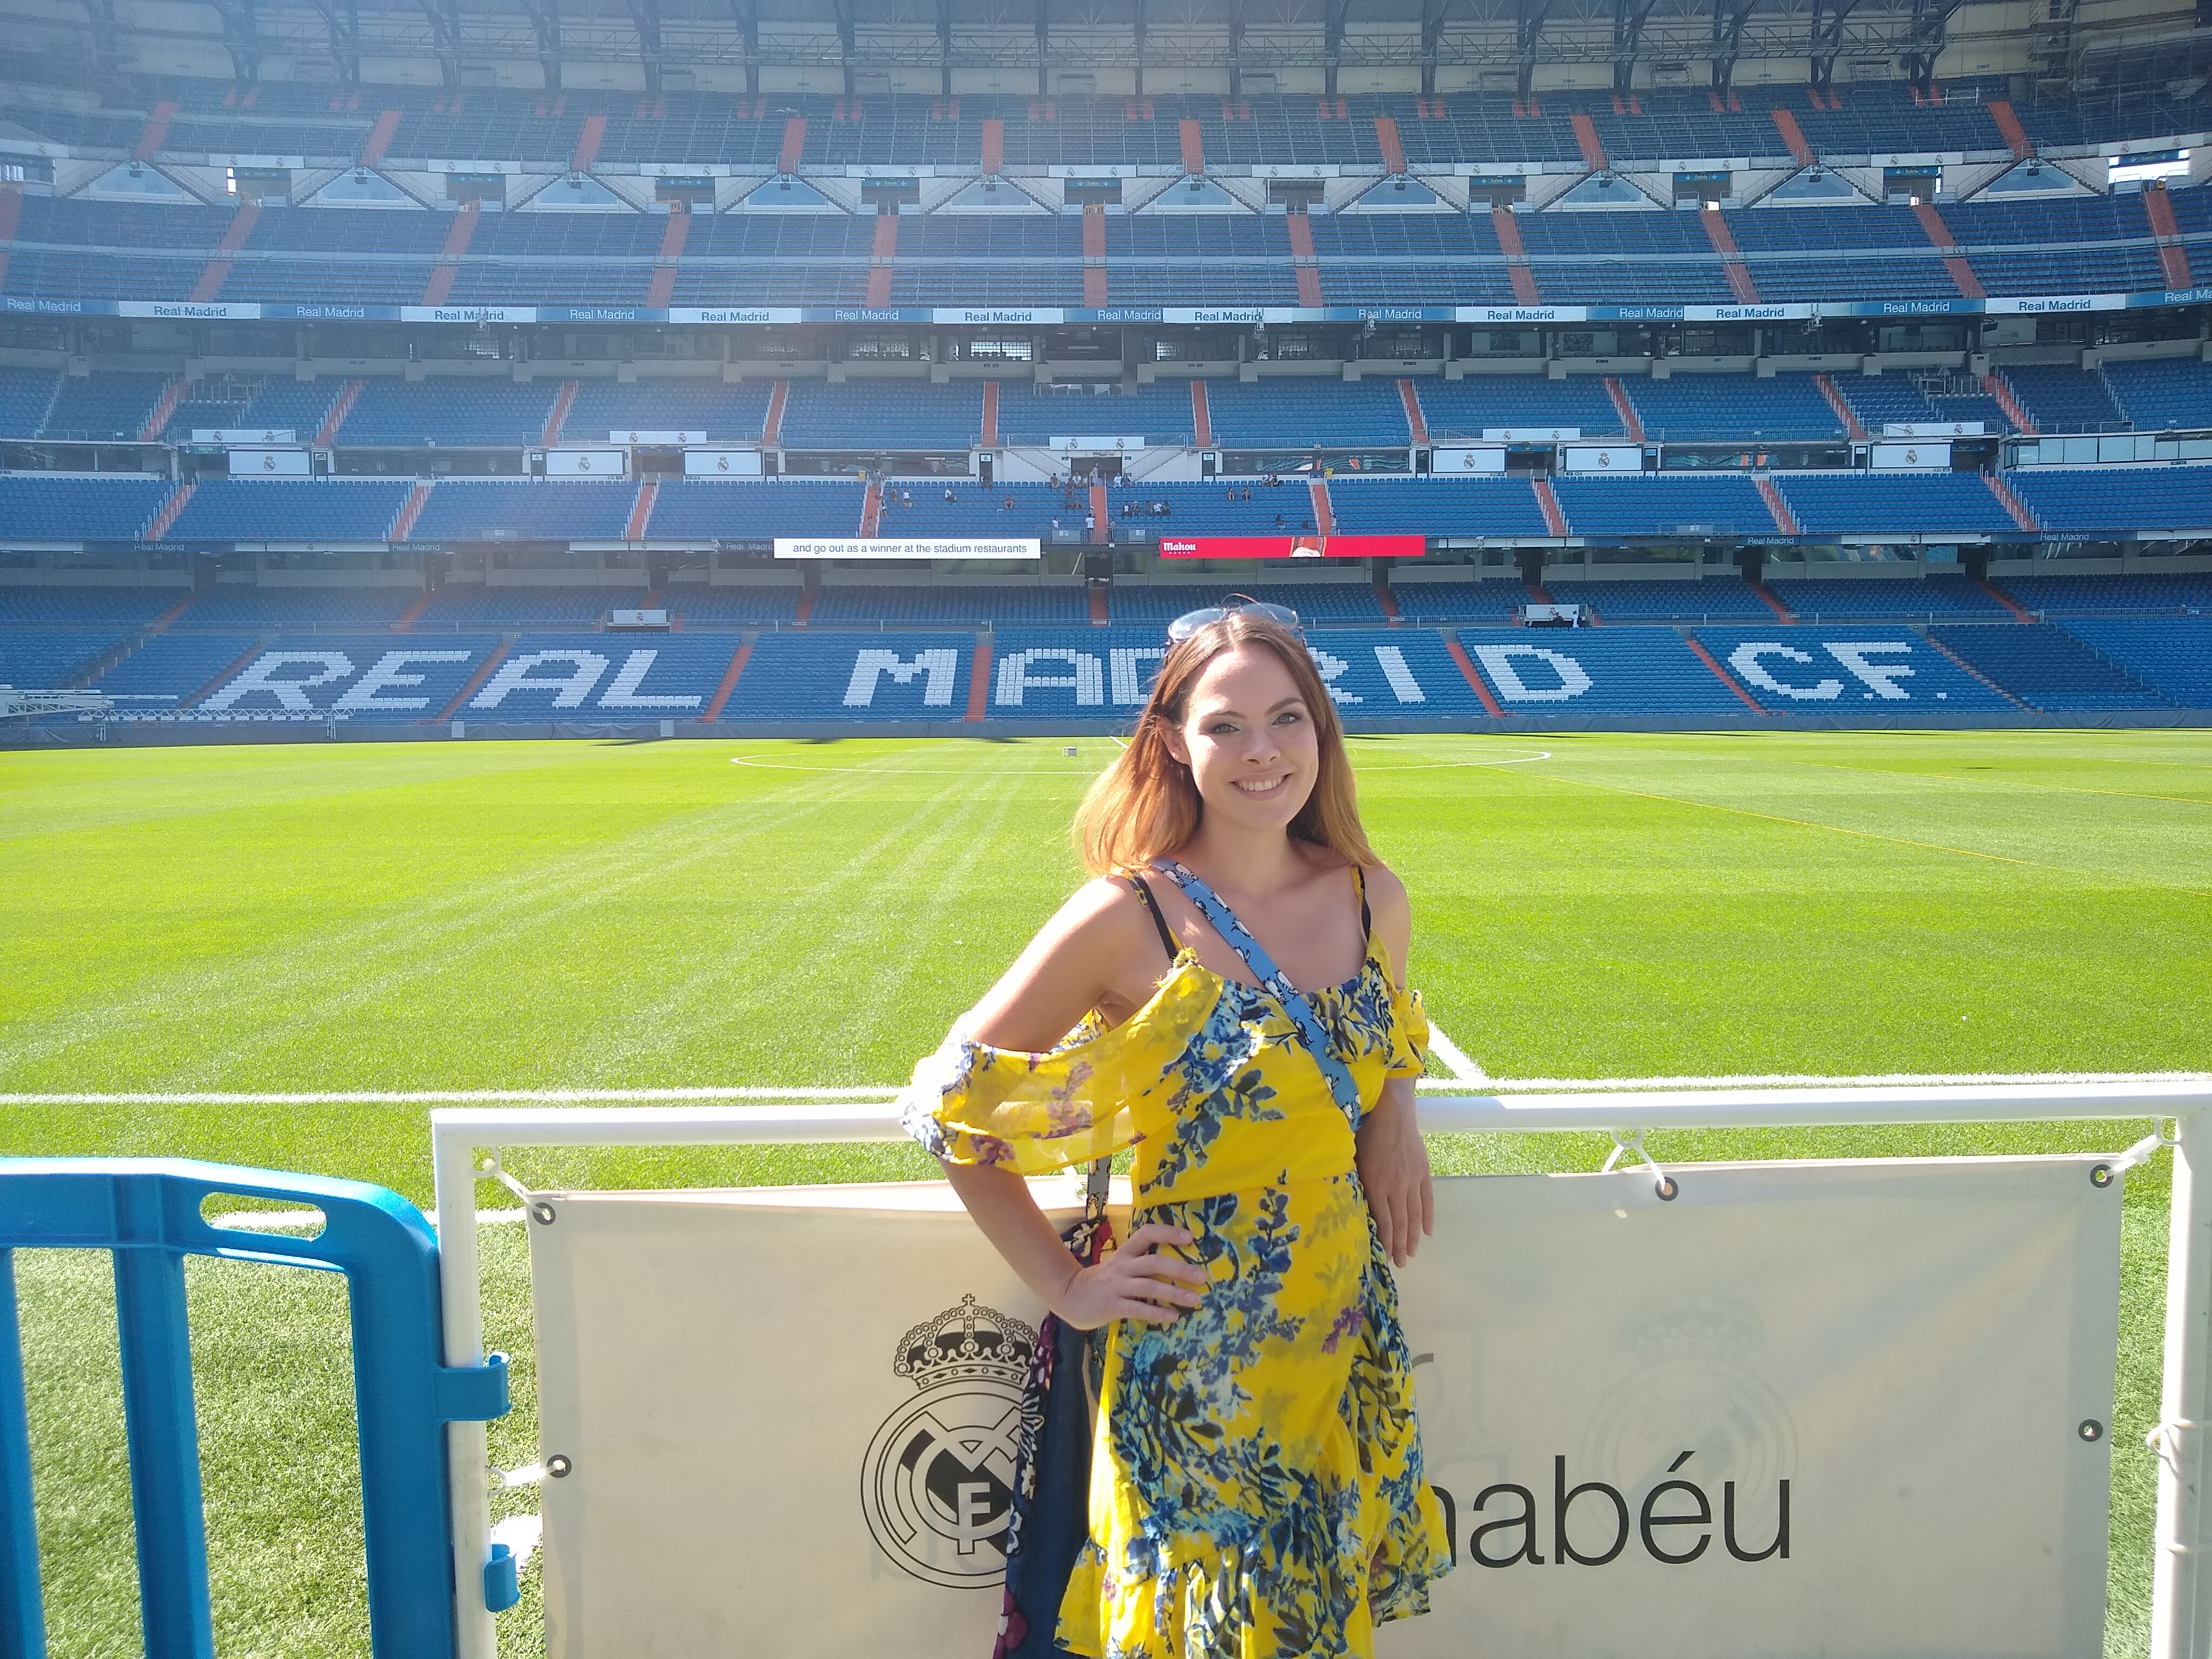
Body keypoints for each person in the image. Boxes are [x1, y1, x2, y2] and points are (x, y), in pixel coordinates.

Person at [901, 604, 1451, 1658]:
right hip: (1194, 1363)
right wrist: (1069, 1288)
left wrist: (1398, 1112)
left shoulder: (1371, 897)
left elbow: (1383, 1032)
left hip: (1341, 1333)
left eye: (1285, 719)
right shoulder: (1129, 915)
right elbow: (948, 1104)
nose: (1262, 752)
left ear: (1320, 730)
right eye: (1224, 726)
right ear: (1172, 742)